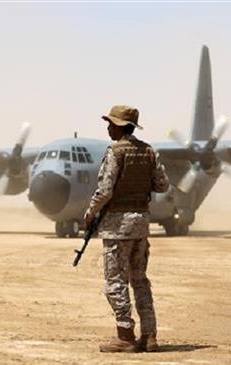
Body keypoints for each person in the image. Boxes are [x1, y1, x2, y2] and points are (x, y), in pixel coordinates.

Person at [84, 105, 169, 353]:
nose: (108, 127)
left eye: (111, 124)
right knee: (140, 280)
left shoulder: (115, 152)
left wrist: (90, 213)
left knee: (116, 281)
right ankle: (150, 336)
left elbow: (105, 190)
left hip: (117, 227)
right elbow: (162, 185)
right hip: (141, 224)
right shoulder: (149, 152)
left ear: (120, 126)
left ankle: (125, 336)